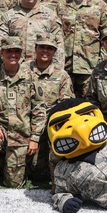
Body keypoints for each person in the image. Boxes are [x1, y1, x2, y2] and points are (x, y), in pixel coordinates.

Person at [0, 36, 34, 197]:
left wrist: (35, 138)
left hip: (20, 135)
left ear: (21, 54)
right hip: (0, 131)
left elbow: (39, 109)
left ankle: (7, 164)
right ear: (1, 53)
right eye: (8, 51)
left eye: (16, 51)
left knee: (13, 184)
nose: (13, 55)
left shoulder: (30, 78)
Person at [59, 0, 107, 96]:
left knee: (89, 105)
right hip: (65, 65)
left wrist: (101, 63)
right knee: (66, 105)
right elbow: (55, 34)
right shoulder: (62, 4)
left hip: (90, 66)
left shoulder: (101, 6)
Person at [28, 33, 73, 184]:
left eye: (49, 48)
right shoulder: (23, 71)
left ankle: (58, 180)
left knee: (43, 173)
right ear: (35, 48)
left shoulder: (62, 75)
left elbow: (65, 106)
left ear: (54, 51)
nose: (45, 51)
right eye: (42, 47)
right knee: (18, 177)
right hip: (27, 122)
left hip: (51, 124)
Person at [0, 0, 66, 68]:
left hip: (42, 69)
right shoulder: (8, 16)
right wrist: (10, 66)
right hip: (16, 69)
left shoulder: (50, 16)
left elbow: (58, 45)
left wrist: (57, 70)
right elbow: (1, 44)